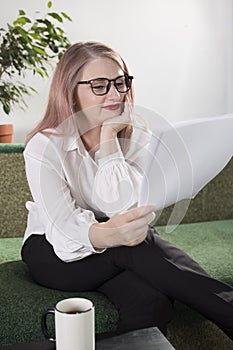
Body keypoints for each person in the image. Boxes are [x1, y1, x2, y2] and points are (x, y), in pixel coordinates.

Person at [21, 41, 233, 341]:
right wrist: (114, 234)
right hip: (55, 252)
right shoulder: (45, 145)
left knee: (150, 299)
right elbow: (64, 230)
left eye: (120, 83)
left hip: (121, 250)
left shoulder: (136, 137)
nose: (115, 94)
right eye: (99, 85)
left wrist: (109, 141)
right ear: (70, 91)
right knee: (136, 246)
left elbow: (124, 207)